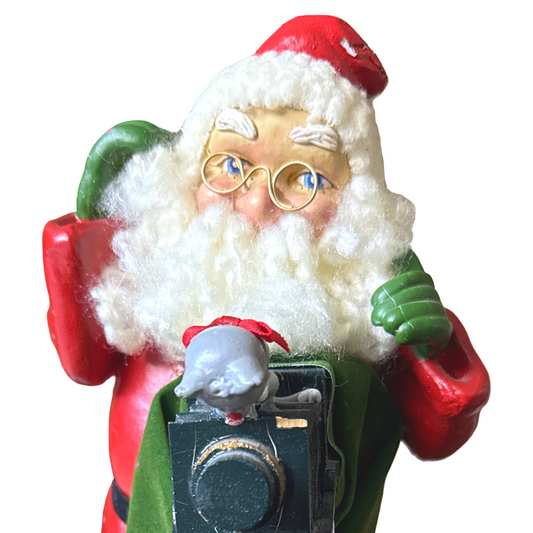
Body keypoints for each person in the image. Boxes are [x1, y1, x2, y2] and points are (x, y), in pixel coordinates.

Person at [43, 15, 490, 533]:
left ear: (353, 207)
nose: (256, 205)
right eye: (232, 166)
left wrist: (431, 347)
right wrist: (89, 230)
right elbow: (84, 365)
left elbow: (435, 438)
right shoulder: (152, 270)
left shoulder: (363, 300)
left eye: (304, 178)